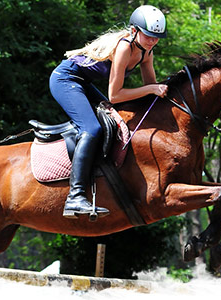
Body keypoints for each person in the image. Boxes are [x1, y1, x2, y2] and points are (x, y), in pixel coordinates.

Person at [49, 5, 169, 219]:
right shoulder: (124, 47)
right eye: (148, 36)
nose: (152, 41)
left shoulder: (146, 52)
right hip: (65, 79)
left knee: (115, 118)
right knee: (92, 128)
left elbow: (151, 90)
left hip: (83, 82)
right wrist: (152, 89)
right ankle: (74, 197)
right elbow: (115, 95)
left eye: (156, 37)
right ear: (134, 31)